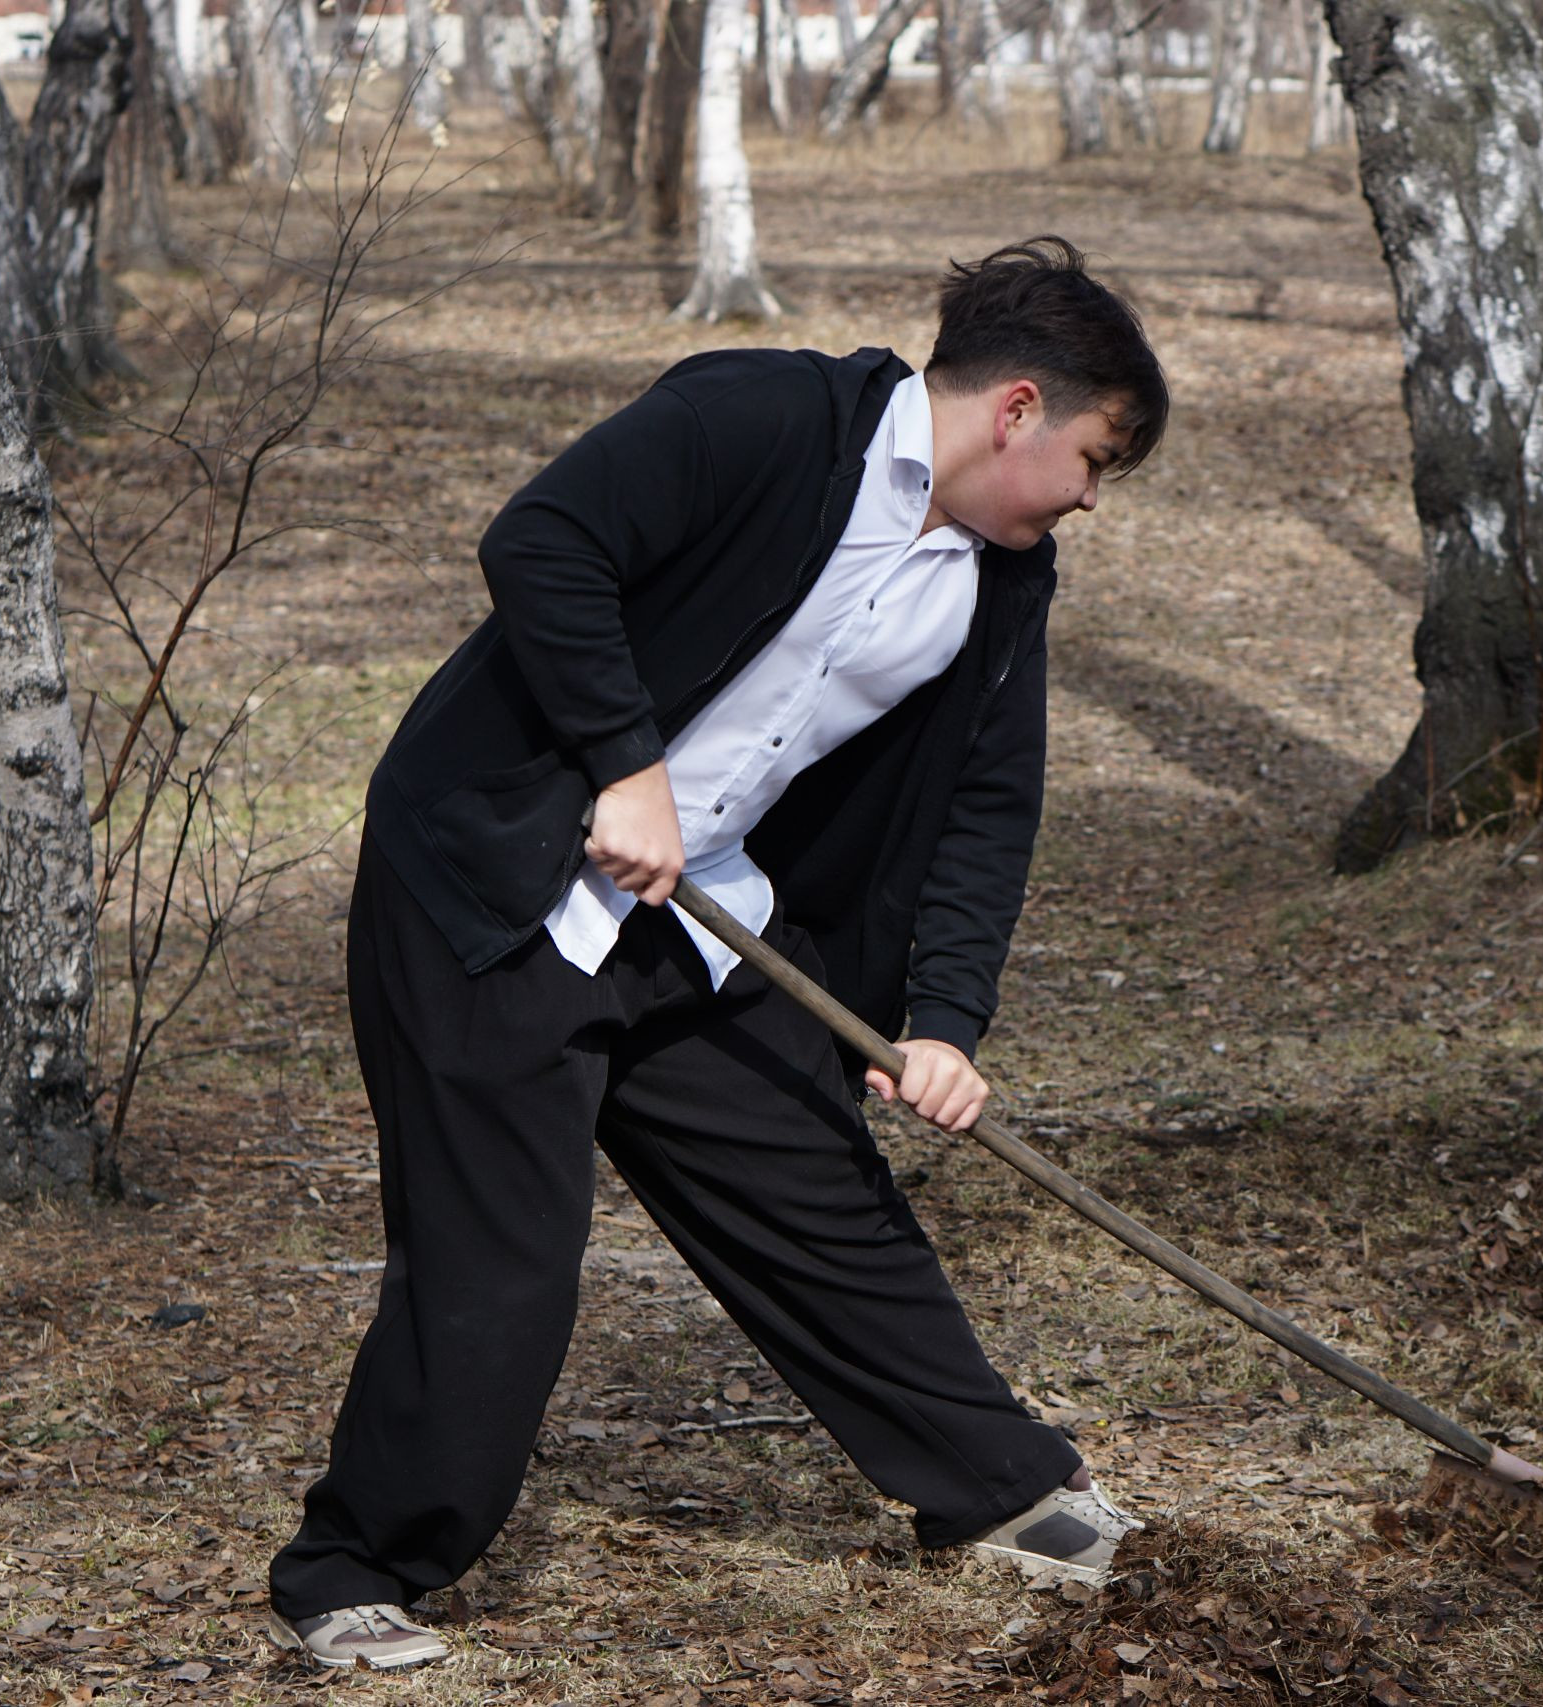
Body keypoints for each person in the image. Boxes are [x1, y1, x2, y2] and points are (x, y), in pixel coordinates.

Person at [266, 238, 1169, 1671]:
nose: (1087, 498)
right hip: (497, 888)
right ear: (1015, 410)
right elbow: (543, 540)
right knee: (500, 1258)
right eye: (1094, 457)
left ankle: (1000, 1489)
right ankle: (353, 1565)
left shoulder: (1002, 578)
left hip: (699, 911)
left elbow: (991, 803)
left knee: (817, 1182)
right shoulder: (761, 417)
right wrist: (624, 767)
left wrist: (945, 1017)